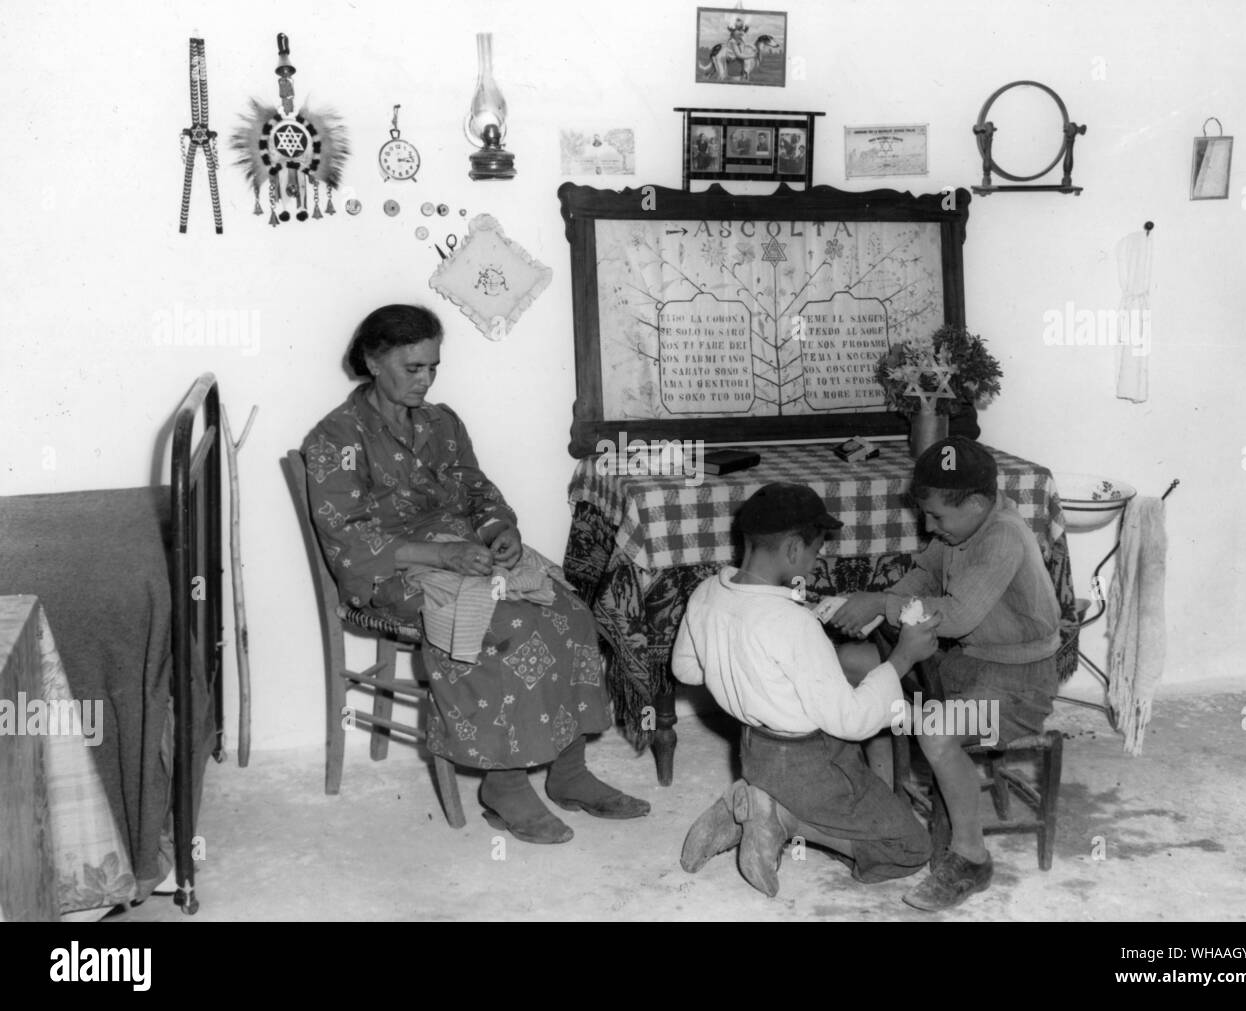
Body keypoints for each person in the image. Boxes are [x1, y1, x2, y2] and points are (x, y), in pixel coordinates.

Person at [302, 304, 648, 845]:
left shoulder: (442, 423)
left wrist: (497, 531)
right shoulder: (335, 439)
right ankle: (504, 786)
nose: (425, 380)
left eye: (433, 367)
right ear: (372, 360)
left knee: (571, 611)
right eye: (412, 367)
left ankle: (569, 772)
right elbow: (348, 543)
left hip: (465, 554)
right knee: (507, 623)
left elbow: (478, 491)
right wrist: (443, 557)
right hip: (392, 574)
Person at [672, 482, 941, 897]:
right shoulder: (794, 625)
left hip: (753, 751)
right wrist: (902, 657)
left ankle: (755, 800)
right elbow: (852, 722)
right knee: (910, 847)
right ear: (795, 550)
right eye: (816, 553)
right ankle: (781, 817)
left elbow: (686, 670)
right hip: (806, 764)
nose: (816, 564)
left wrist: (744, 666)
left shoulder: (706, 593)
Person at [827, 436, 1061, 910]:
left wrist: (882, 604)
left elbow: (956, 617)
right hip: (965, 665)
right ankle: (883, 800)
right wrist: (878, 608)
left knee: (935, 732)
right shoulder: (959, 528)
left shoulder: (1002, 536)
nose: (929, 526)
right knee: (849, 665)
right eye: (925, 515)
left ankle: (972, 858)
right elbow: (921, 578)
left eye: (937, 517)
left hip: (1019, 687)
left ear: (977, 503)